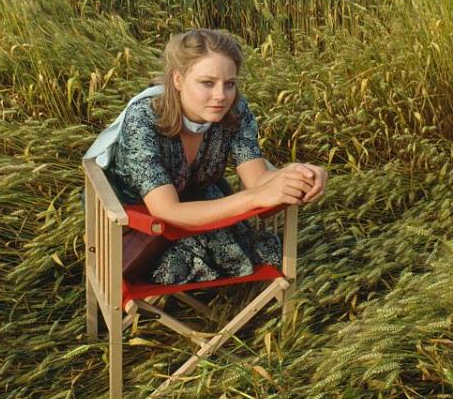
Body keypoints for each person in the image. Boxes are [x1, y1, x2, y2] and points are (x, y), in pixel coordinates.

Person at [104, 28, 327, 285]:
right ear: (178, 79)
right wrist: (254, 197)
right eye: (207, 83)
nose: (221, 96)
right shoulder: (143, 119)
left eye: (229, 84)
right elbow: (166, 209)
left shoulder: (234, 110)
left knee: (257, 253)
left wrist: (301, 174)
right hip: (139, 224)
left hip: (199, 202)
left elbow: (257, 178)